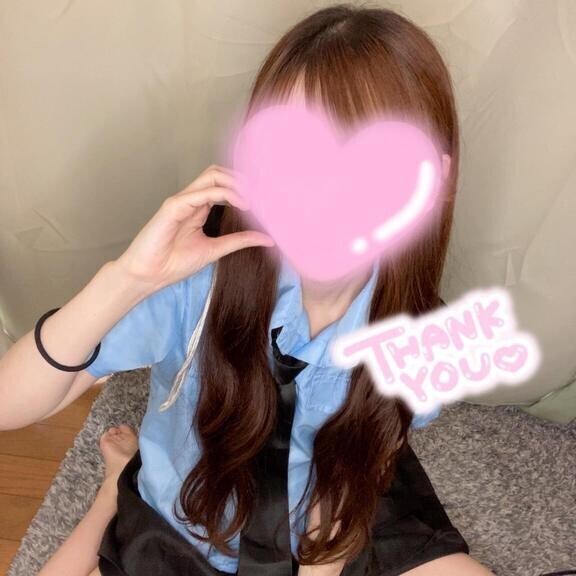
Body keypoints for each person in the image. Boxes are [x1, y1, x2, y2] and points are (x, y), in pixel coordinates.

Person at [0, 4, 496, 575]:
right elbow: (13, 403)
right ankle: (113, 493)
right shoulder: (199, 283)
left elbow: (351, 480)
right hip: (185, 522)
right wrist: (129, 278)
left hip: (324, 518)